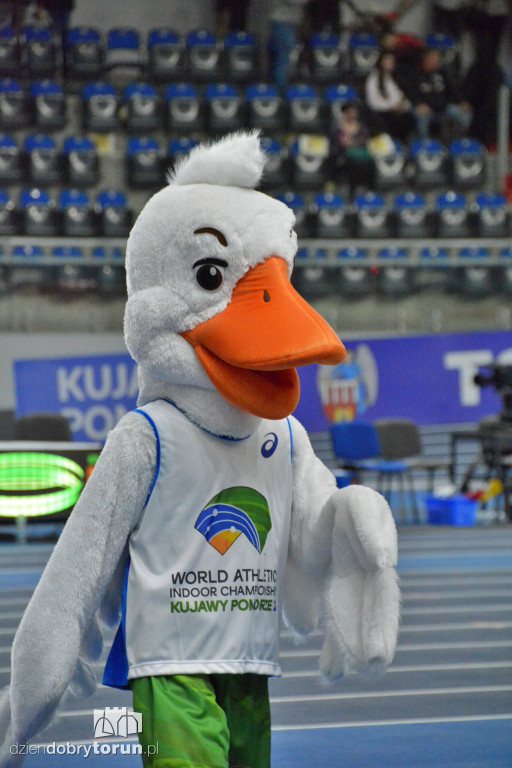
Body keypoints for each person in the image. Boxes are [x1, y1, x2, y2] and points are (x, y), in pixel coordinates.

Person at [403, 47, 471, 139]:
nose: (435, 62)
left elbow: (452, 89)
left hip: (443, 107)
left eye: (437, 60)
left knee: (463, 113)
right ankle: (425, 143)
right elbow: (410, 92)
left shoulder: (442, 73)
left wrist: (461, 101)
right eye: (433, 59)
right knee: (420, 117)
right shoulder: (415, 74)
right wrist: (417, 104)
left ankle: (460, 142)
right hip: (425, 108)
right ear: (425, 59)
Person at [364, 50, 415, 141]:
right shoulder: (374, 78)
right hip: (382, 113)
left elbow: (402, 97)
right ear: (381, 62)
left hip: (398, 112)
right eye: (387, 61)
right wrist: (391, 107)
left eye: (392, 61)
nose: (390, 63)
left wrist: (401, 106)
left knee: (410, 116)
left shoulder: (395, 78)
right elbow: (373, 102)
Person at [329, 101, 376, 194]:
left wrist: (353, 143)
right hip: (343, 155)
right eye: (349, 112)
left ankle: (370, 189)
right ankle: (349, 190)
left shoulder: (362, 128)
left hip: (360, 155)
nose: (352, 114)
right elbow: (336, 143)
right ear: (344, 113)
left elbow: (364, 141)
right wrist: (345, 144)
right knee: (349, 163)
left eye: (353, 112)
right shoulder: (338, 128)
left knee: (370, 163)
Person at [268, 0, 308, 90]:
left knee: (285, 56)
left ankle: (282, 85)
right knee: (283, 56)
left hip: (288, 24)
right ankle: (280, 88)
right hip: (282, 24)